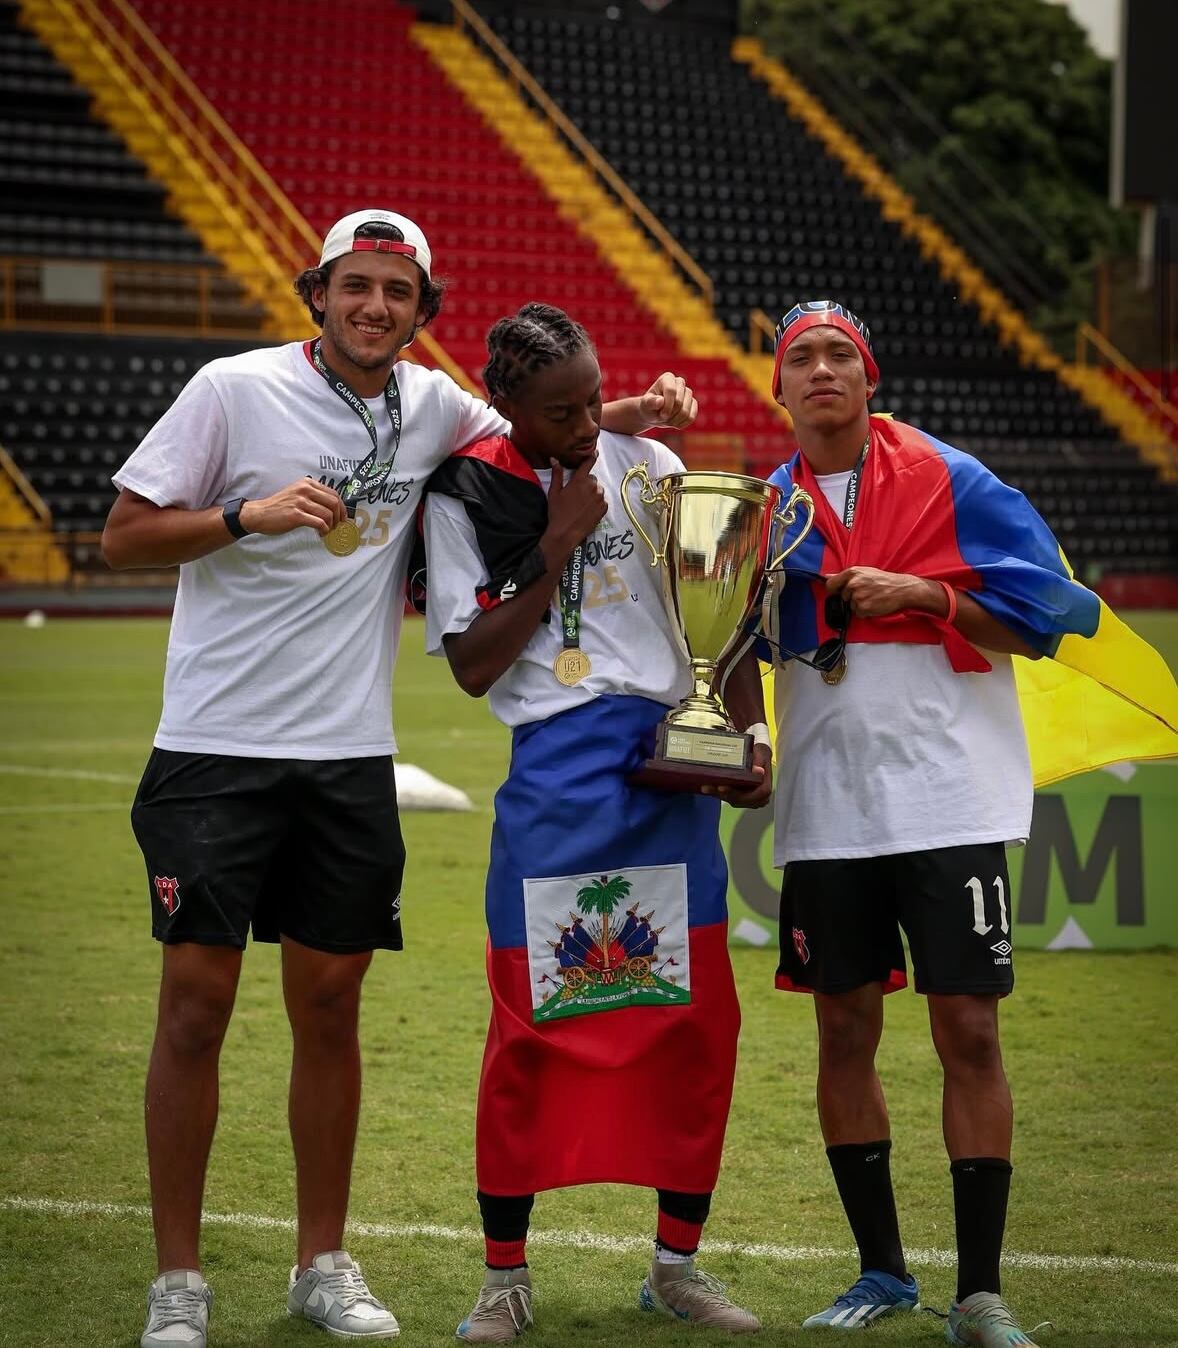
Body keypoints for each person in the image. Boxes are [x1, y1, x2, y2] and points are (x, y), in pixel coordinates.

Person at [101, 209, 699, 1348]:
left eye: (396, 290)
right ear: (318, 292)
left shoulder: (435, 405)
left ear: (422, 311)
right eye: (356, 284)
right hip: (215, 746)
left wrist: (631, 411)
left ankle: (321, 1263)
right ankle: (178, 1280)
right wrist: (245, 514)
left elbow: (540, 423)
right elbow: (123, 537)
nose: (374, 306)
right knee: (195, 1007)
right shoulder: (232, 388)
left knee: (331, 1010)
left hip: (347, 756)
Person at [755, 301, 1107, 1346]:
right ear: (778, 387)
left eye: (840, 355)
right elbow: (727, 646)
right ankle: (880, 1273)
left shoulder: (953, 481)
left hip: (949, 798)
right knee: (842, 1030)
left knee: (968, 1030)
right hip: (826, 807)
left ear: (870, 379)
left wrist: (927, 594)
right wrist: (742, 740)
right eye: (800, 357)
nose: (821, 370)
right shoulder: (761, 511)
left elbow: (1047, 621)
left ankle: (980, 1294)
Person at [423, 302, 773, 1342]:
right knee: (530, 1030)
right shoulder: (467, 490)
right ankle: (504, 1279)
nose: (584, 428)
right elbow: (474, 663)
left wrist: (750, 735)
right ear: (506, 404)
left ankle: (677, 1266)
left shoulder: (651, 463)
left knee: (693, 1026)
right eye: (560, 413)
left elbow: (721, 615)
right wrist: (554, 544)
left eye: (593, 401)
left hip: (667, 776)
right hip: (556, 781)